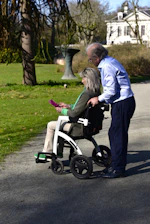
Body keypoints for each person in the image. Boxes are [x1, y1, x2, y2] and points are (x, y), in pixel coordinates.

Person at [86, 42, 136, 178]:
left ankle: (118, 169)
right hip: (123, 101)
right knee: (115, 133)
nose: (90, 61)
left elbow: (111, 91)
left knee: (117, 135)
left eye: (90, 59)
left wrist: (98, 99)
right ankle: (115, 164)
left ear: (96, 57)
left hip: (122, 102)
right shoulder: (110, 61)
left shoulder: (107, 66)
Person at [34, 67, 100, 161]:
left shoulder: (86, 94)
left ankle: (47, 152)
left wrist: (62, 110)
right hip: (90, 124)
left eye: (83, 78)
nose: (82, 81)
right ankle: (59, 150)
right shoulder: (96, 92)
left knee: (51, 125)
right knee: (60, 123)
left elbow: (74, 113)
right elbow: (81, 107)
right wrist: (67, 106)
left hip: (78, 126)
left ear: (88, 79)